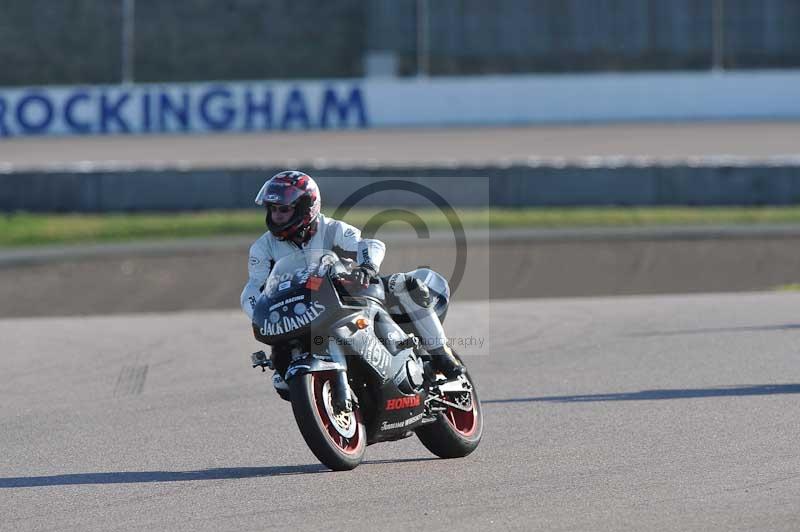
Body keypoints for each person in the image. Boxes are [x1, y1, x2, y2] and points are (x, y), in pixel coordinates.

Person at [240, 170, 464, 396]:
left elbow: (369, 244)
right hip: (301, 315)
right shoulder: (262, 248)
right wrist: (262, 317)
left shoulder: (331, 228)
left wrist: (367, 267)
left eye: (284, 209)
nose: (276, 215)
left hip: (347, 297)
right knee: (282, 381)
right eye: (273, 209)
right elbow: (254, 289)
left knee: (405, 284)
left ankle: (441, 355)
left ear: (305, 207)